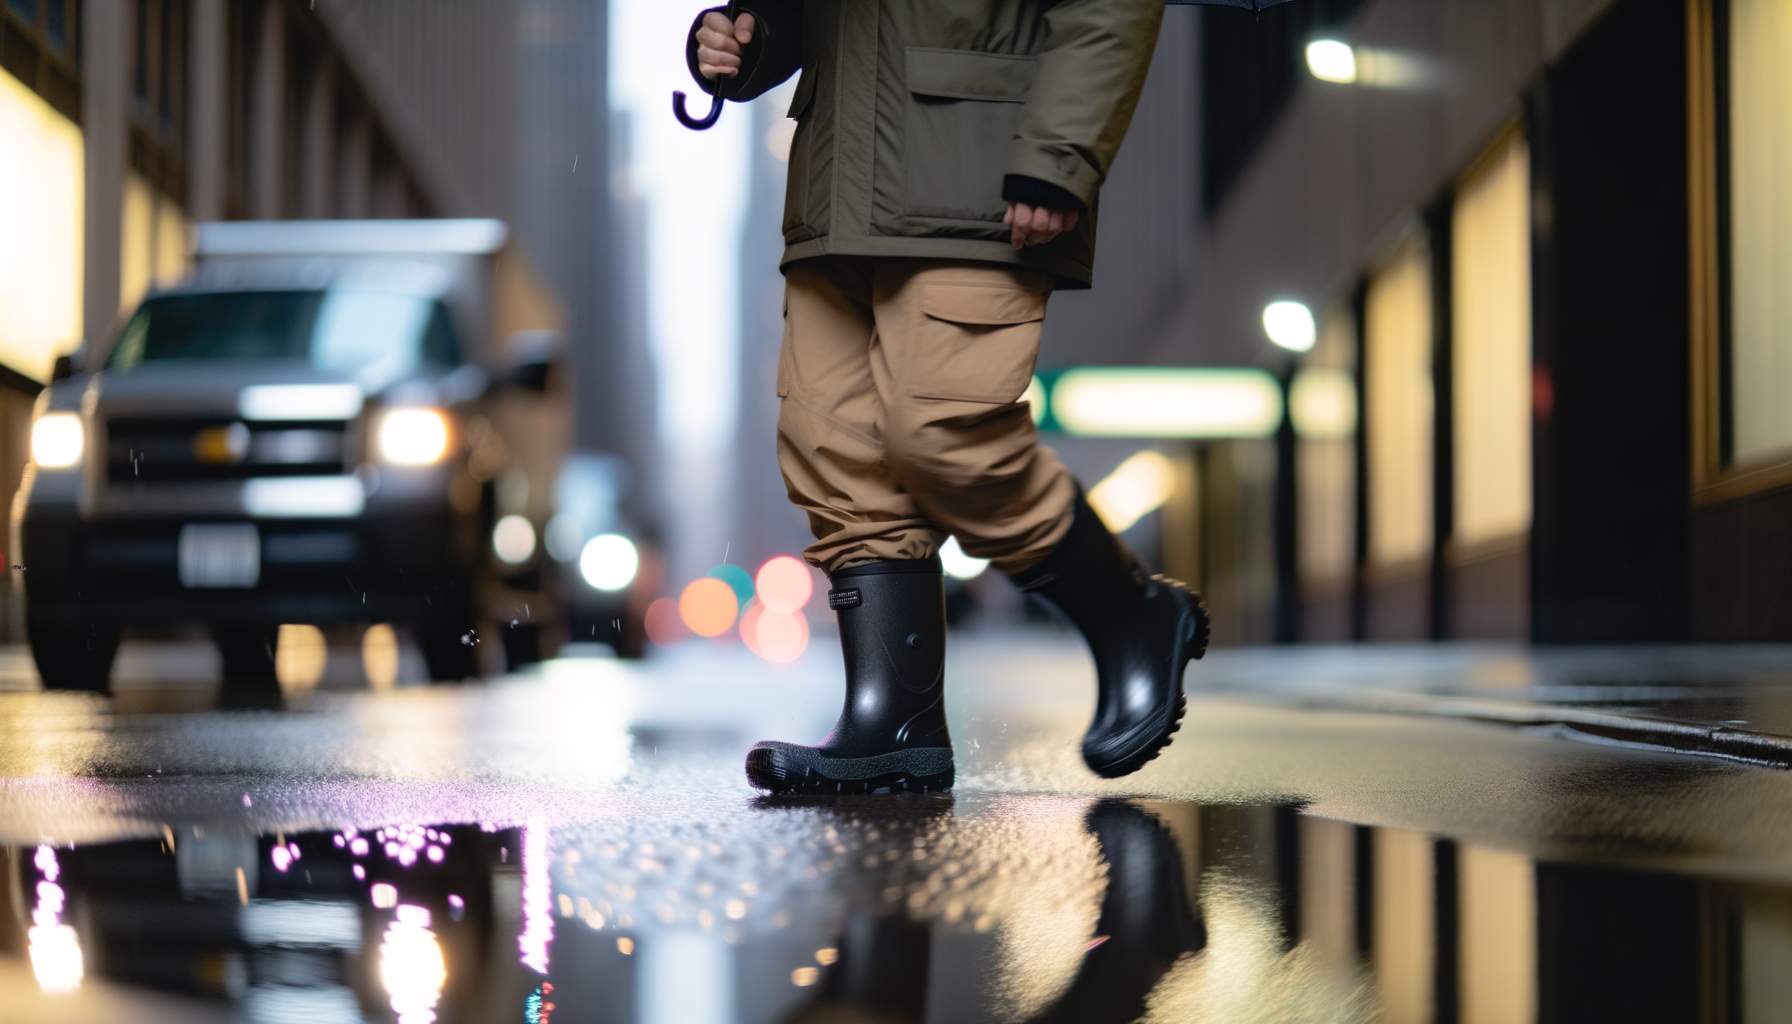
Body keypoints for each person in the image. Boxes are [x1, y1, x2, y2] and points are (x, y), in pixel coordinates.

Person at [688, 0, 1208, 795]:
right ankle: (893, 722)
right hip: (835, 192)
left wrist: (1060, 153)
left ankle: (1132, 618)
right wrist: (739, 45)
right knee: (832, 449)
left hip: (979, 187)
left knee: (941, 431)